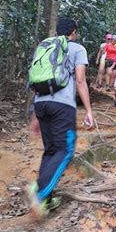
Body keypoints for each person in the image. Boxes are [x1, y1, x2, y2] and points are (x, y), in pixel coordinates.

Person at [27, 17, 93, 219]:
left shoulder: (45, 46)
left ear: (57, 32)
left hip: (41, 104)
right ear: (74, 31)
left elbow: (39, 79)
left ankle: (47, 200)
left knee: (51, 150)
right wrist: (89, 110)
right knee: (65, 151)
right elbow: (80, 80)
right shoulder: (77, 49)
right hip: (63, 106)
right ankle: (39, 193)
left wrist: (35, 116)